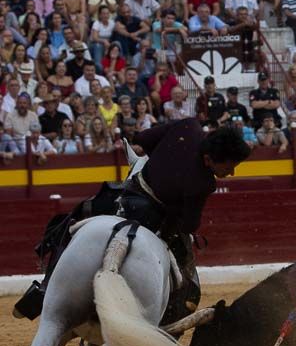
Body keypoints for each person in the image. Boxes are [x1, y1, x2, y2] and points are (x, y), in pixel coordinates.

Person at [14, 121, 250, 322]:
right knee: (184, 276)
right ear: (209, 159)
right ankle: (166, 319)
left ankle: (44, 288)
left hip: (124, 197)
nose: (232, 173)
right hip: (154, 220)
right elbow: (189, 225)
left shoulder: (187, 125)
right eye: (229, 166)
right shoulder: (204, 183)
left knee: (74, 220)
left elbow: (143, 138)